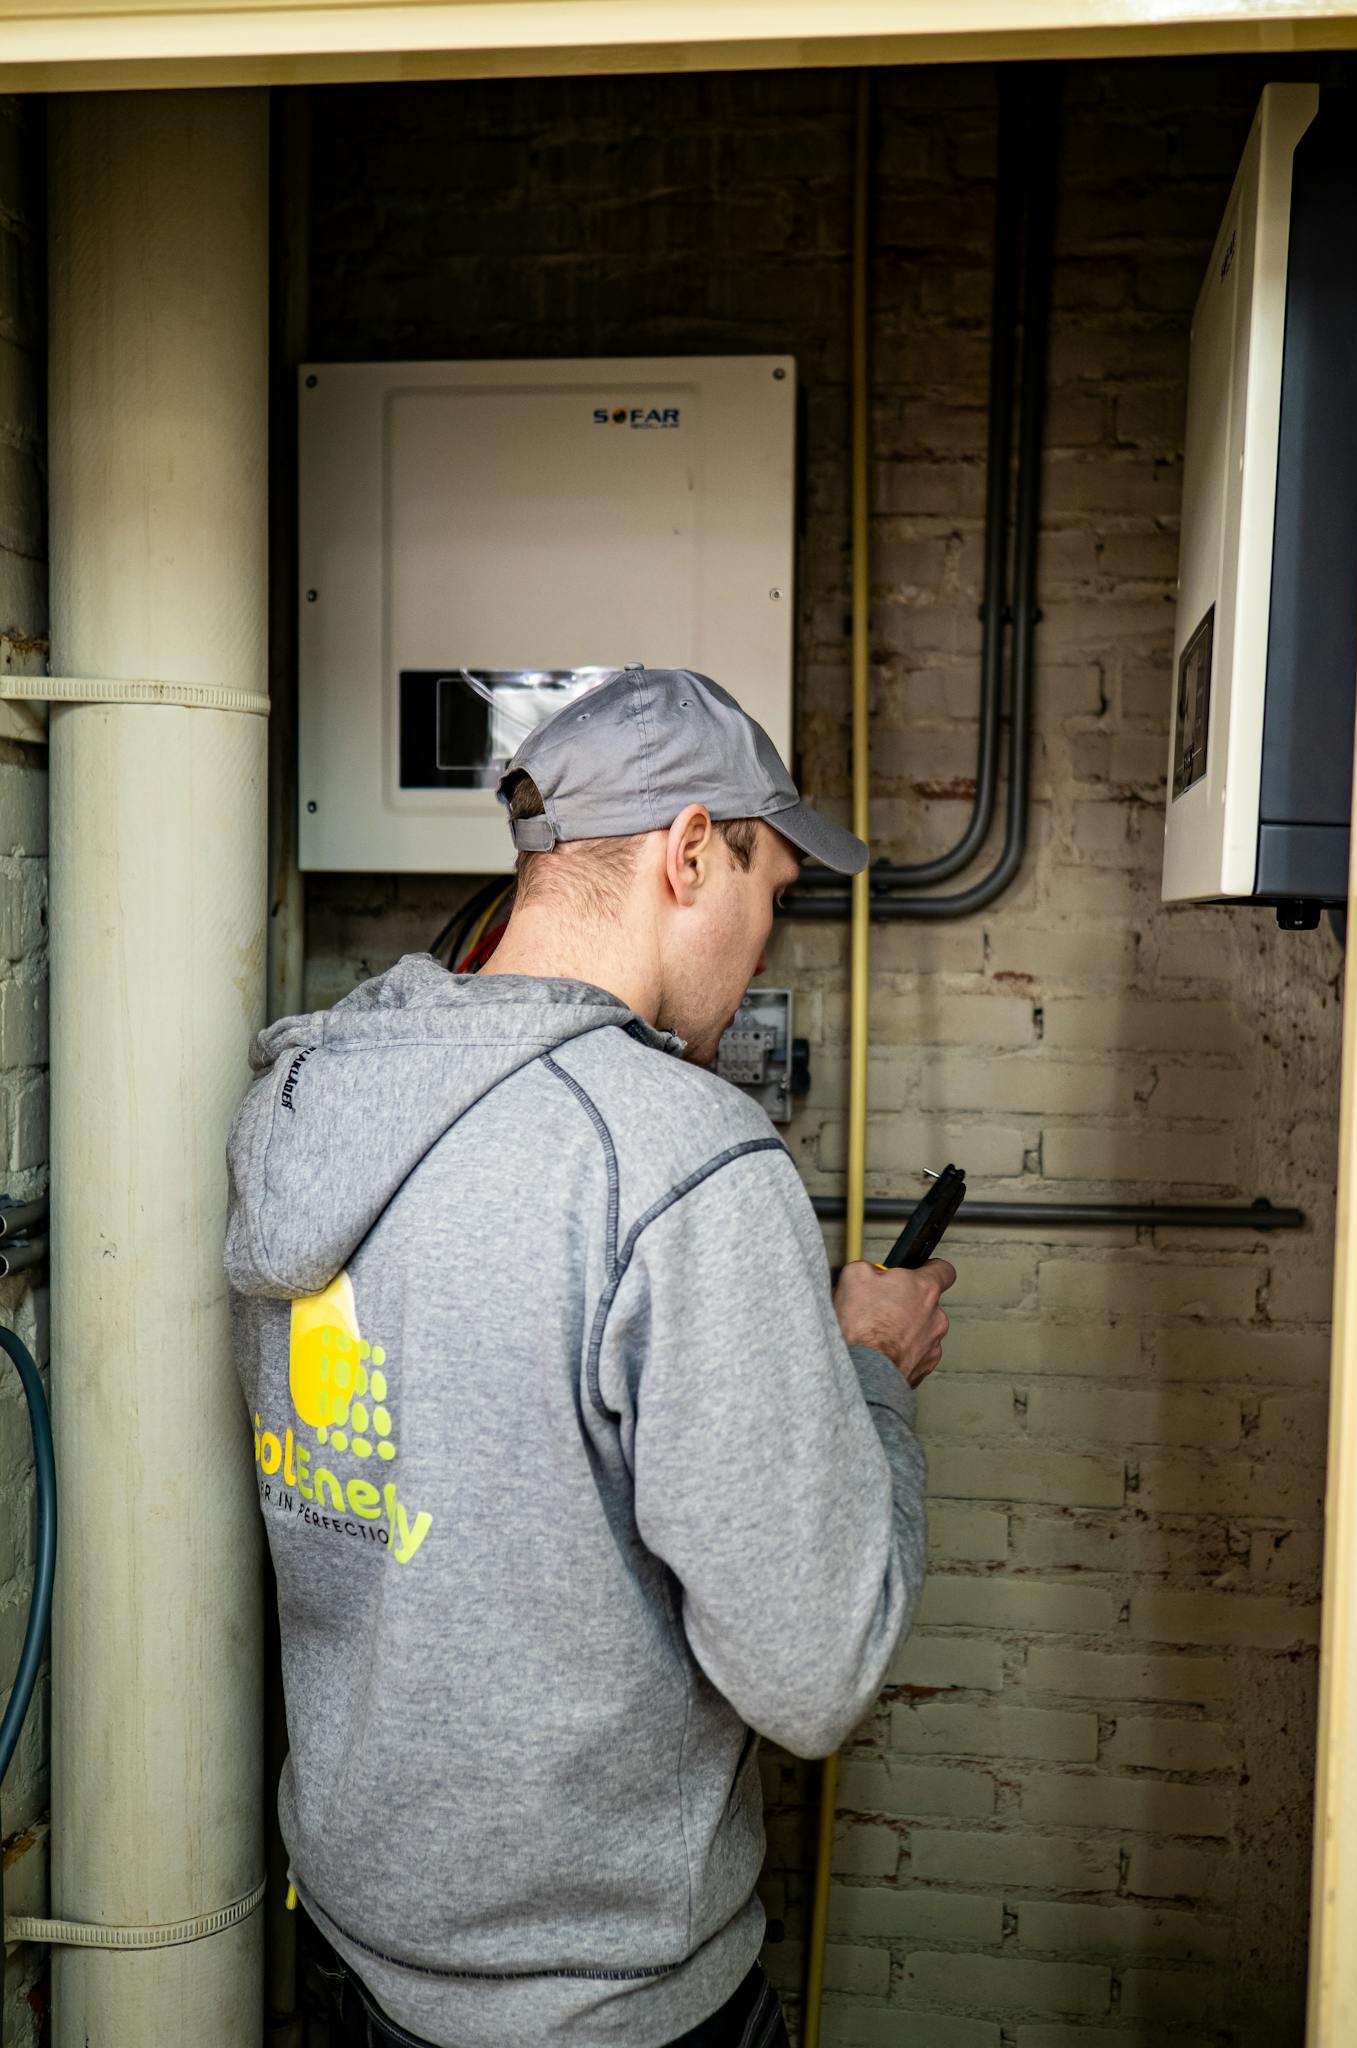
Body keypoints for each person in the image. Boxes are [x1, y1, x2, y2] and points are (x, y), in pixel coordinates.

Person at [226, 665, 955, 2048]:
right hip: (607, 2009)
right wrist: (865, 1374)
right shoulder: (680, 1162)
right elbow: (818, 1670)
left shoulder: (308, 1101)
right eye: (774, 893)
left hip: (347, 1961)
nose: (767, 943)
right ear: (691, 851)